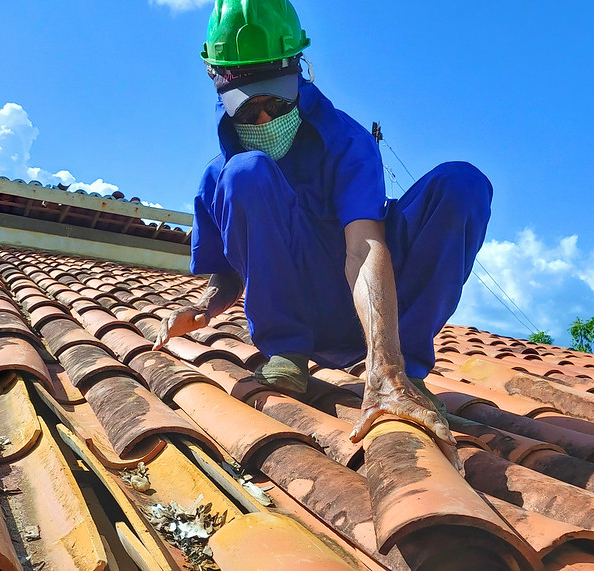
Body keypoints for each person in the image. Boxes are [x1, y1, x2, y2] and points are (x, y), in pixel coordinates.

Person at [153, 0, 492, 468]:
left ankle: (405, 372)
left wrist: (386, 367)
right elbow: (229, 273)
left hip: (379, 309)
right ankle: (287, 352)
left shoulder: (346, 141)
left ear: (299, 72)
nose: (265, 120)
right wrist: (204, 307)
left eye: (276, 102)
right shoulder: (221, 176)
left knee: (462, 183)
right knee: (247, 172)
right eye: (248, 109)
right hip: (302, 311)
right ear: (219, 86)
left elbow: (364, 245)